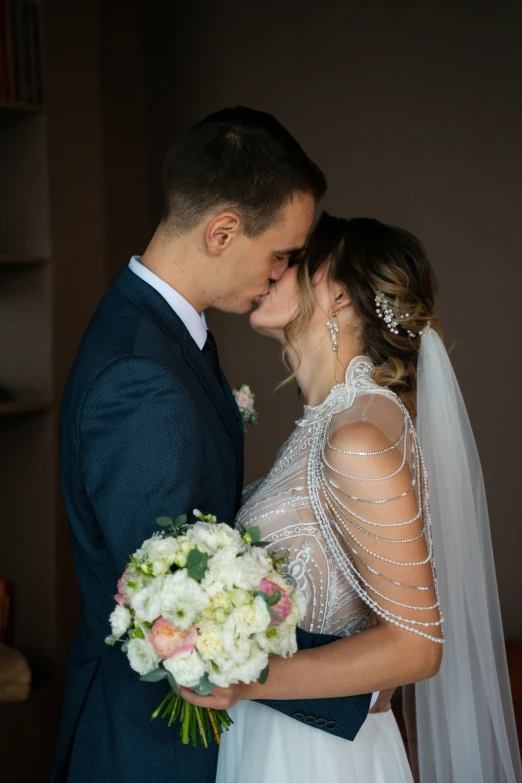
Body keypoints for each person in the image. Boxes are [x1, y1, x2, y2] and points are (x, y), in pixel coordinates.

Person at [51, 109, 382, 783]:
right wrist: (362, 683)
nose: (283, 272)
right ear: (222, 231)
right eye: (281, 254)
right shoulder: (140, 378)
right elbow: (180, 618)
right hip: (151, 751)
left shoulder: (162, 332)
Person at [180, 213, 521, 783]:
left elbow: (416, 648)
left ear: (336, 292)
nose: (272, 272)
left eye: (292, 263)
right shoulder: (335, 421)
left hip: (313, 756)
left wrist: (248, 677)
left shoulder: (357, 435)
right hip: (283, 735)